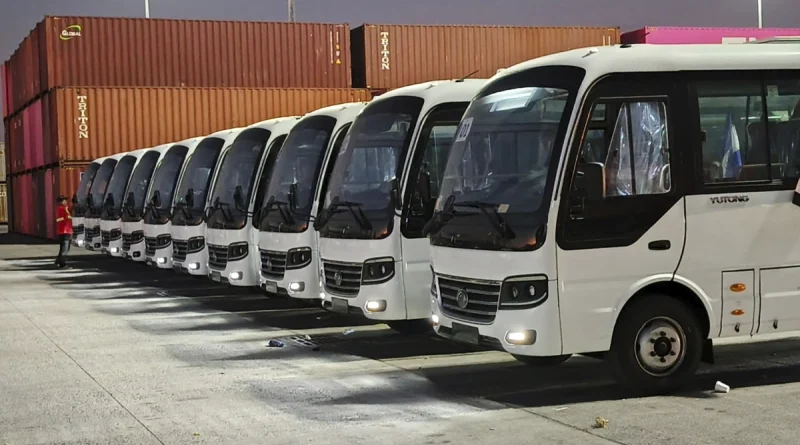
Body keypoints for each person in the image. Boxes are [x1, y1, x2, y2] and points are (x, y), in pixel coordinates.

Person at [55, 195, 73, 268]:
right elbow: (59, 219)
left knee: (64, 247)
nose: (65, 201)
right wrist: (66, 218)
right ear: (60, 202)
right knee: (65, 248)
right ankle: (62, 264)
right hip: (65, 231)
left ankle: (58, 261)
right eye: (63, 200)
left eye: (65, 200)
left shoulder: (64, 208)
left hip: (66, 230)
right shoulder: (62, 209)